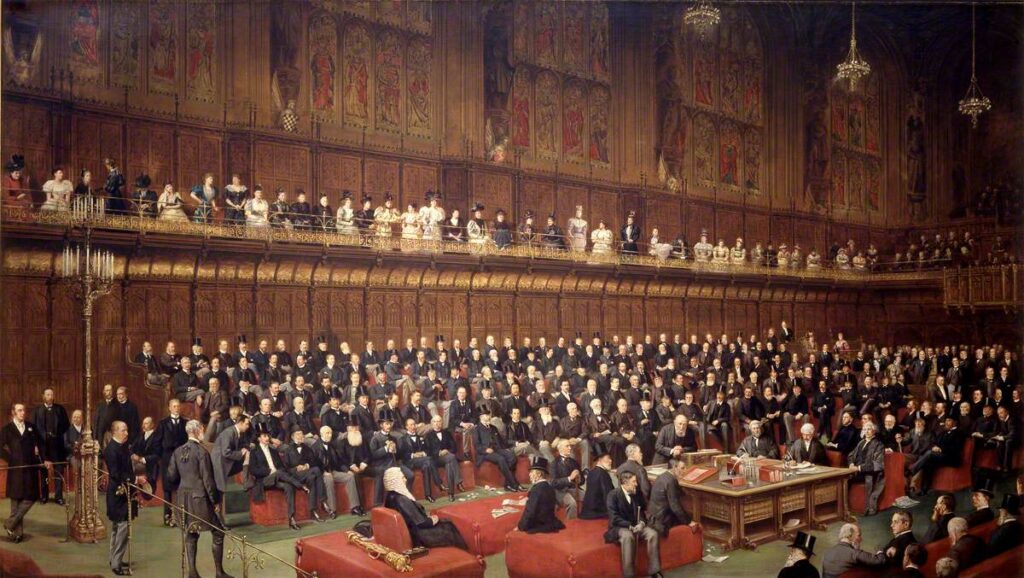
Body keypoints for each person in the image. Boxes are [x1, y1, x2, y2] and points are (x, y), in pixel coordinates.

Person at [165, 420, 233, 578]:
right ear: (197, 431)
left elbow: (171, 476)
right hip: (200, 499)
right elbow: (208, 480)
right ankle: (219, 572)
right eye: (202, 428)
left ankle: (192, 573)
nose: (203, 431)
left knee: (191, 533)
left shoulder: (177, 451)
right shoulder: (201, 452)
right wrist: (215, 501)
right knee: (218, 531)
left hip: (182, 499)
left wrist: (184, 485)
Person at [384, 467, 468, 549]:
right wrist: (433, 519)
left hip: (412, 532)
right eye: (402, 478)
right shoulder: (402, 499)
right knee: (448, 525)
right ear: (396, 481)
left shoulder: (390, 496)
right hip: (419, 537)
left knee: (445, 522)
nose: (405, 480)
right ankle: (465, 553)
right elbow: (421, 523)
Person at [248, 424, 308, 530]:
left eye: (268, 436)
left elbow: (281, 467)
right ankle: (300, 485)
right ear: (259, 438)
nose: (267, 438)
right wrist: (269, 471)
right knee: (279, 473)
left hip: (277, 478)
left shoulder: (273, 450)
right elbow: (253, 470)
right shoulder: (254, 452)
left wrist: (277, 472)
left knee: (288, 486)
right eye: (264, 436)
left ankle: (291, 518)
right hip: (264, 481)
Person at [0, 403, 46, 543]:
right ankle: (17, 534)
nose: (23, 413)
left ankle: (10, 523)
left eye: (24, 410)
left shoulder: (31, 427)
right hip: (16, 469)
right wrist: (10, 459)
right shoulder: (7, 429)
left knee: (31, 497)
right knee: (16, 500)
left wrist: (43, 458)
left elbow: (41, 444)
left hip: (30, 468)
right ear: (13, 412)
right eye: (19, 410)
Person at [605, 471, 662, 578]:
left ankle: (655, 571)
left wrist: (641, 523)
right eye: (634, 482)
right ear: (625, 482)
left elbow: (642, 513)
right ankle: (629, 575)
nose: (636, 484)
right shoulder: (613, 495)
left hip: (636, 526)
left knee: (653, 534)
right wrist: (629, 526)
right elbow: (614, 517)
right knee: (628, 536)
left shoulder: (636, 494)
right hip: (620, 528)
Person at [103, 421, 138, 576]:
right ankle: (116, 563)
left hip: (124, 492)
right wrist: (135, 479)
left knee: (118, 528)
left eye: (127, 430)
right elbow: (116, 474)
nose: (126, 433)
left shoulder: (122, 447)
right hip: (117, 494)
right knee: (121, 528)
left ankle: (114, 559)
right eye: (123, 430)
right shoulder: (111, 450)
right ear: (115, 432)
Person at [312, 426, 361, 517]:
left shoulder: (332, 446)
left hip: (333, 471)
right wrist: (324, 472)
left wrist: (347, 470)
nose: (330, 435)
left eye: (330, 433)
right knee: (329, 479)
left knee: (350, 476)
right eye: (327, 433)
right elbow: (314, 465)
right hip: (321, 474)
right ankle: (332, 510)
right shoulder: (314, 447)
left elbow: (339, 461)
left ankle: (355, 507)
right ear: (321, 434)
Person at [280, 428, 327, 521]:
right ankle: (322, 500)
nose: (301, 436)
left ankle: (313, 511)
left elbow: (315, 461)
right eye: (298, 434)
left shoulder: (307, 448)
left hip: (308, 474)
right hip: (295, 476)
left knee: (312, 478)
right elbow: (285, 468)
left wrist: (306, 465)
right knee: (316, 470)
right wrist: (296, 468)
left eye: (301, 434)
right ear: (292, 437)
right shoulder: (288, 450)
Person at [33, 387, 69, 505]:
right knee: (44, 471)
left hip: (57, 445)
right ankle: (44, 496)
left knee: (59, 471)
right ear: (43, 396)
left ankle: (58, 496)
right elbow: (33, 430)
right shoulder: (37, 410)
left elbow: (66, 426)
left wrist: (57, 435)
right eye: (47, 394)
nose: (50, 397)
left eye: (51, 395)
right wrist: (35, 445)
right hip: (43, 445)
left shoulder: (60, 409)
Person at [471, 411, 521, 492]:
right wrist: (486, 449)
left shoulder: (493, 427)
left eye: (489, 415)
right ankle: (514, 484)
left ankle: (507, 484)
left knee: (512, 456)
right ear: (481, 417)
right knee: (501, 459)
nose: (489, 416)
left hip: (497, 449)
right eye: (486, 415)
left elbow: (502, 441)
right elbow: (477, 445)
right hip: (484, 453)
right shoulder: (477, 429)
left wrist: (513, 443)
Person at [399, 417, 444, 503]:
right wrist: (413, 455)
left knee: (426, 466)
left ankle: (428, 495)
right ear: (406, 427)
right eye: (411, 425)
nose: (413, 426)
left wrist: (423, 453)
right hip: (409, 462)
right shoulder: (402, 439)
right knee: (429, 459)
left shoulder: (421, 437)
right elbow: (401, 455)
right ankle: (438, 482)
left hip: (422, 461)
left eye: (414, 424)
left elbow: (427, 450)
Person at [647, 461, 698, 538]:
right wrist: (689, 522)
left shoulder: (663, 476)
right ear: (674, 467)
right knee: (689, 525)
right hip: (662, 521)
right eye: (682, 468)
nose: (685, 471)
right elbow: (675, 506)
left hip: (654, 517)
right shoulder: (671, 481)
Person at [516, 457, 564, 534]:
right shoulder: (549, 487)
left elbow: (530, 512)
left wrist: (521, 526)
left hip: (539, 526)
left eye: (531, 472)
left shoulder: (536, 490)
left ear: (538, 474)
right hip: (550, 523)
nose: (529, 475)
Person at [821, 523, 886, 577]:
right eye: (859, 535)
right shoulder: (854, 553)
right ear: (849, 536)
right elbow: (879, 561)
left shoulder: (827, 553)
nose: (861, 539)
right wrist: (880, 551)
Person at [848, 421, 886, 515]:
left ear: (874, 431)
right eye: (865, 429)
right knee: (842, 480)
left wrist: (859, 468)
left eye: (869, 429)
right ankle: (845, 507)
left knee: (848, 479)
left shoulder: (878, 445)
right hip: (856, 471)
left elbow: (878, 464)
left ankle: (867, 509)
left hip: (870, 473)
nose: (867, 431)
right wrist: (851, 464)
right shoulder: (861, 442)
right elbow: (851, 455)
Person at [211, 415, 251, 495]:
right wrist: (241, 453)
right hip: (221, 462)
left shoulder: (238, 432)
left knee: (250, 457)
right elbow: (226, 452)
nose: (248, 426)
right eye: (246, 424)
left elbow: (239, 445)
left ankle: (246, 483)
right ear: (240, 423)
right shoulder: (229, 432)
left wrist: (245, 449)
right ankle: (245, 484)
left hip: (227, 459)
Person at [580, 452, 616, 519]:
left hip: (587, 512)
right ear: (600, 459)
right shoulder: (603, 474)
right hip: (598, 513)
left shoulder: (592, 472)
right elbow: (607, 494)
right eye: (608, 458)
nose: (610, 461)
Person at [550, 440, 581, 519]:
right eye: (567, 446)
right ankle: (571, 524)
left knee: (589, 496)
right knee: (572, 503)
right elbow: (553, 482)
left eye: (570, 446)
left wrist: (579, 477)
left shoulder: (574, 462)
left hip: (573, 489)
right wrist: (570, 478)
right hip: (560, 491)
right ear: (560, 449)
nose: (570, 448)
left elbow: (582, 480)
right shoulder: (554, 464)